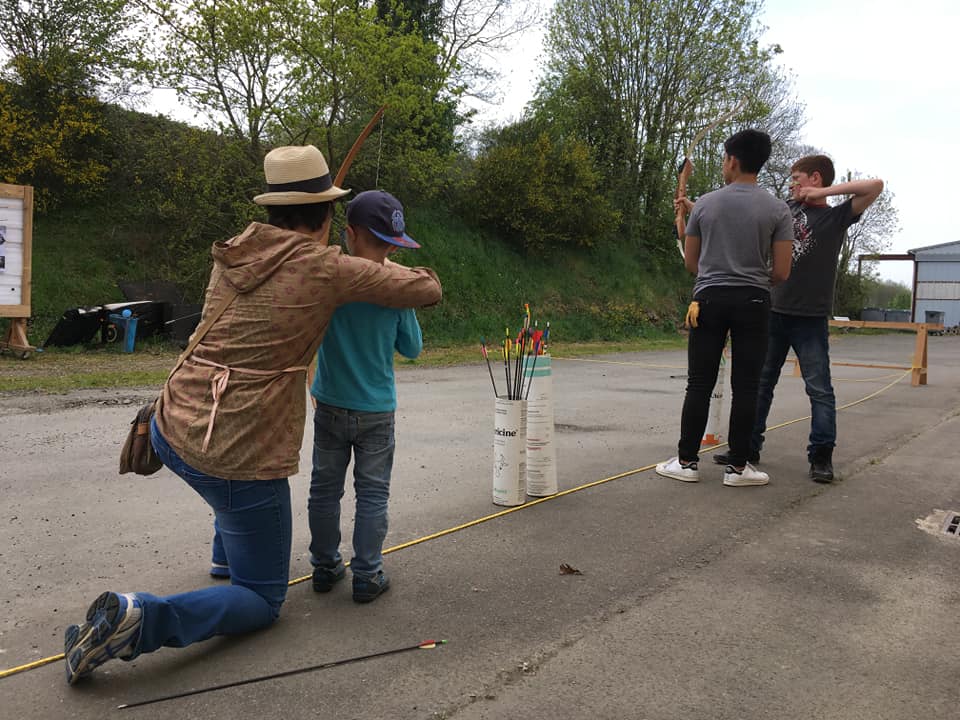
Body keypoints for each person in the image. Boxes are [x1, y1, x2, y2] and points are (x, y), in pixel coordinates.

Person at [62, 145, 442, 685]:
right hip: (235, 452)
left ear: (272, 209)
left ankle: (226, 557)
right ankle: (140, 620)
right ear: (327, 216)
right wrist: (378, 258)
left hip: (171, 426)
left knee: (226, 491)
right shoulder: (325, 267)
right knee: (263, 599)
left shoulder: (239, 248)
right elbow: (427, 289)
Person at [712, 155, 883, 482]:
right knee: (761, 385)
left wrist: (822, 194)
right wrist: (694, 207)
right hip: (773, 311)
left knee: (819, 389)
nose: (791, 185)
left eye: (796, 179)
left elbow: (875, 186)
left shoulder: (836, 216)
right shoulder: (784, 211)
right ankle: (748, 448)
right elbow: (739, 215)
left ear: (815, 179)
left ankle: (821, 456)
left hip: (810, 318)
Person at [656, 129, 793, 487]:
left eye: (723, 159)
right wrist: (753, 279)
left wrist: (690, 218)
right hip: (754, 300)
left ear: (732, 160)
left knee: (699, 383)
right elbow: (781, 271)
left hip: (709, 300)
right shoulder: (778, 208)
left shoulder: (706, 203)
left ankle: (686, 462)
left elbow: (692, 263)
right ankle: (738, 467)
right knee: (747, 385)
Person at [308, 189, 423, 604]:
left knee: (324, 489)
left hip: (331, 404)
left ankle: (324, 567)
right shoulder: (395, 287)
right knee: (373, 493)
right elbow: (412, 348)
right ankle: (367, 575)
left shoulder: (328, 280)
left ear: (351, 235)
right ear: (393, 244)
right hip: (376, 410)